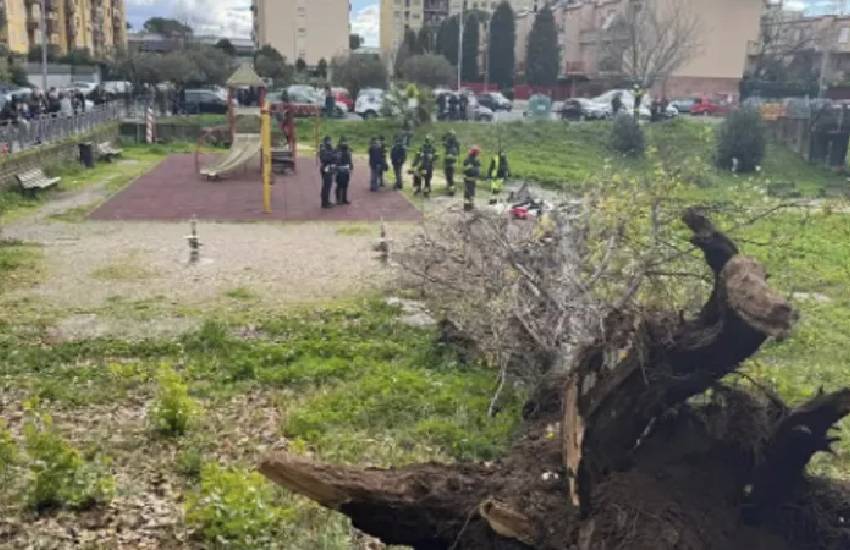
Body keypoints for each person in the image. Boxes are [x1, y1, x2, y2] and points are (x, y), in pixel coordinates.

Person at [335, 137, 353, 205]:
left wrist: (351, 167)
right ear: (340, 142)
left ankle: (344, 199)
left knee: (345, 184)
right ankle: (338, 200)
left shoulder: (348, 150)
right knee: (339, 185)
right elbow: (336, 160)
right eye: (343, 142)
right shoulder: (337, 150)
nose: (345, 143)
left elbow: (350, 160)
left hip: (346, 170)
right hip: (339, 170)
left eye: (346, 142)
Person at [463, 146, 482, 211]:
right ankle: (471, 205)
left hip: (467, 179)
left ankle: (466, 206)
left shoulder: (466, 160)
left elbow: (464, 170)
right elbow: (478, 172)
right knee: (472, 192)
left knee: (467, 193)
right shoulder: (477, 161)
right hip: (473, 179)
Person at [319, 136, 336, 208]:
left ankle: (327, 201)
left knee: (328, 186)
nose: (330, 142)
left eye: (330, 141)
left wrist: (332, 155)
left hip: (329, 168)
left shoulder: (329, 148)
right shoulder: (323, 148)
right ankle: (325, 203)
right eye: (329, 141)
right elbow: (324, 158)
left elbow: (335, 156)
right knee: (326, 186)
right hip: (326, 169)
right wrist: (332, 156)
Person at [443, 130, 460, 196]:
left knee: (449, 177)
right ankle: (450, 188)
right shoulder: (455, 146)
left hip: (449, 164)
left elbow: (444, 143)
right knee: (450, 176)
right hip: (452, 163)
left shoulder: (450, 147)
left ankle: (451, 190)